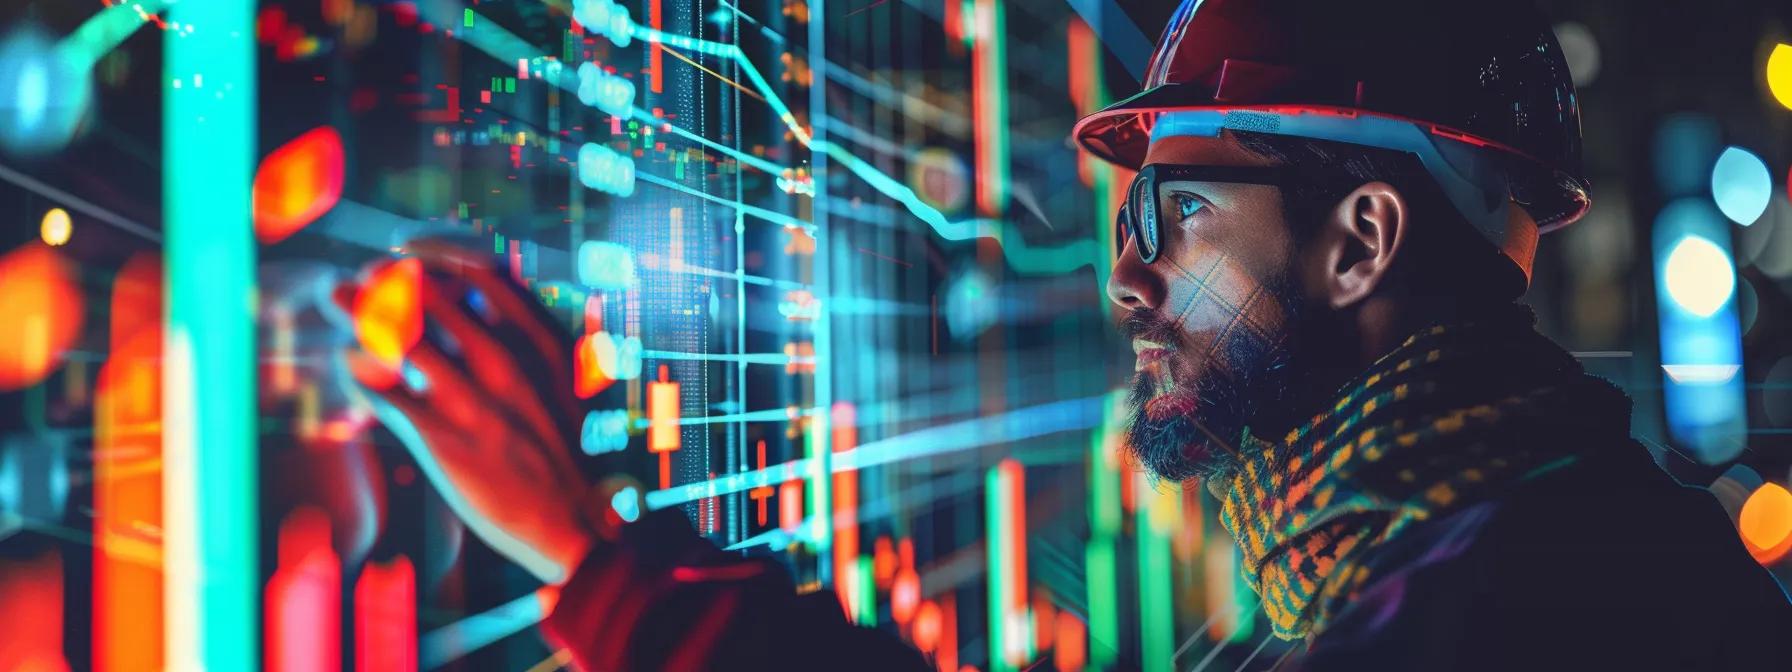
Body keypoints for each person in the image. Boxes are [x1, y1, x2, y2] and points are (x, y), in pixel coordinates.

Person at [344, 0, 1792, 669]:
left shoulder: (1523, 610)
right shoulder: (1486, 539)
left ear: (1362, 241)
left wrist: (601, 562)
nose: (1129, 278)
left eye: (1175, 212)